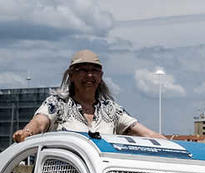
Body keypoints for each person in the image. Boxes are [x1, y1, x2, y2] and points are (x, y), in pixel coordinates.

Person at [12, 50, 164, 141]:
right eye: (83, 70)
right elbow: (40, 122)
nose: (89, 75)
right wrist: (27, 132)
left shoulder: (112, 110)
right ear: (71, 75)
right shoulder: (57, 104)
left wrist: (173, 145)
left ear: (101, 75)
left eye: (94, 70)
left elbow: (145, 133)